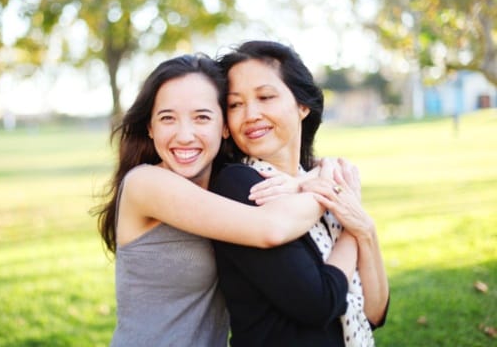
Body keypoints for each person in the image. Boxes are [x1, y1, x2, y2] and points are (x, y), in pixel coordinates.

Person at [95, 53, 334, 347]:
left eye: (202, 117)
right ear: (150, 127)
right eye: (167, 118)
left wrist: (314, 175)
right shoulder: (145, 184)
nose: (184, 135)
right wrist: (327, 186)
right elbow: (271, 228)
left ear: (224, 127)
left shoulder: (226, 185)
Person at [211, 40, 390, 346]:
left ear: (302, 105)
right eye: (235, 104)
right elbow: (318, 303)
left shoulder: (316, 180)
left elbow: (375, 313)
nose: (250, 113)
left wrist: (364, 227)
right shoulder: (241, 186)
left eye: (265, 96)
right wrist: (350, 222)